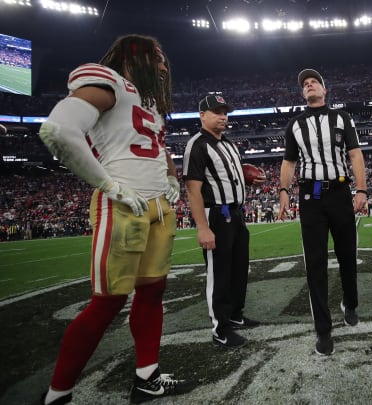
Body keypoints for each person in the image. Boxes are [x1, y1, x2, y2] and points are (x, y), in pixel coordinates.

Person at [37, 34, 193, 404]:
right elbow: (58, 130)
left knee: (153, 292)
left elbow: (154, 144)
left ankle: (147, 378)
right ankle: (58, 395)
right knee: (107, 302)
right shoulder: (110, 82)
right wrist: (108, 184)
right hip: (124, 205)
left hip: (159, 207)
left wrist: (171, 176)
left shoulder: (149, 103)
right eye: (156, 56)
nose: (163, 64)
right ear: (132, 56)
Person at [277, 68, 367, 356]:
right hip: (310, 195)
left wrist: (362, 190)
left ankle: (350, 303)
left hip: (340, 192)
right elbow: (289, 162)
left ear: (324, 90)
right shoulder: (294, 124)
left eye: (314, 81)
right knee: (315, 262)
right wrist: (283, 192)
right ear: (303, 93)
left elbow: (355, 154)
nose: (309, 85)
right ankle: (323, 330)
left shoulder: (342, 118)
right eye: (305, 84)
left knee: (347, 254)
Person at [183, 95, 265, 348]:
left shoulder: (228, 144)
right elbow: (193, 190)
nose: (222, 116)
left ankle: (235, 315)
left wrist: (248, 178)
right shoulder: (197, 145)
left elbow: (232, 175)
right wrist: (203, 227)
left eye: (225, 112)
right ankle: (220, 329)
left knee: (239, 268)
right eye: (216, 111)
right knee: (219, 273)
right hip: (216, 215)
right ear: (202, 116)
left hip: (237, 213)